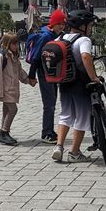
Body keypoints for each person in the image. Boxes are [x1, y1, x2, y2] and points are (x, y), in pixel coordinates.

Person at [51, 9, 102, 164]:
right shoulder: (83, 40)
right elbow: (85, 56)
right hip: (81, 83)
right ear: (83, 26)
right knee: (81, 116)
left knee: (65, 114)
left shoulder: (62, 36)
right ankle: (74, 152)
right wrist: (93, 77)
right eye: (90, 25)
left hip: (64, 82)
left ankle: (59, 147)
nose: (91, 28)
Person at [28, 9, 67, 143]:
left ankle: (49, 130)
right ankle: (46, 133)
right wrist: (31, 76)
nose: (61, 26)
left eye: (63, 23)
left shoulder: (58, 34)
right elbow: (35, 57)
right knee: (49, 104)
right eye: (59, 23)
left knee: (52, 101)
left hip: (53, 72)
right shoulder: (45, 36)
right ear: (53, 23)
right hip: (44, 73)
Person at [0, 33, 35, 145]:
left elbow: (20, 72)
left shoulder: (14, 57)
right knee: (13, 110)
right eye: (14, 44)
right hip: (5, 90)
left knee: (6, 111)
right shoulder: (1, 57)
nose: (16, 46)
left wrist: (28, 80)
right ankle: (4, 132)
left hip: (12, 89)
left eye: (17, 43)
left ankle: (4, 133)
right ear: (7, 44)